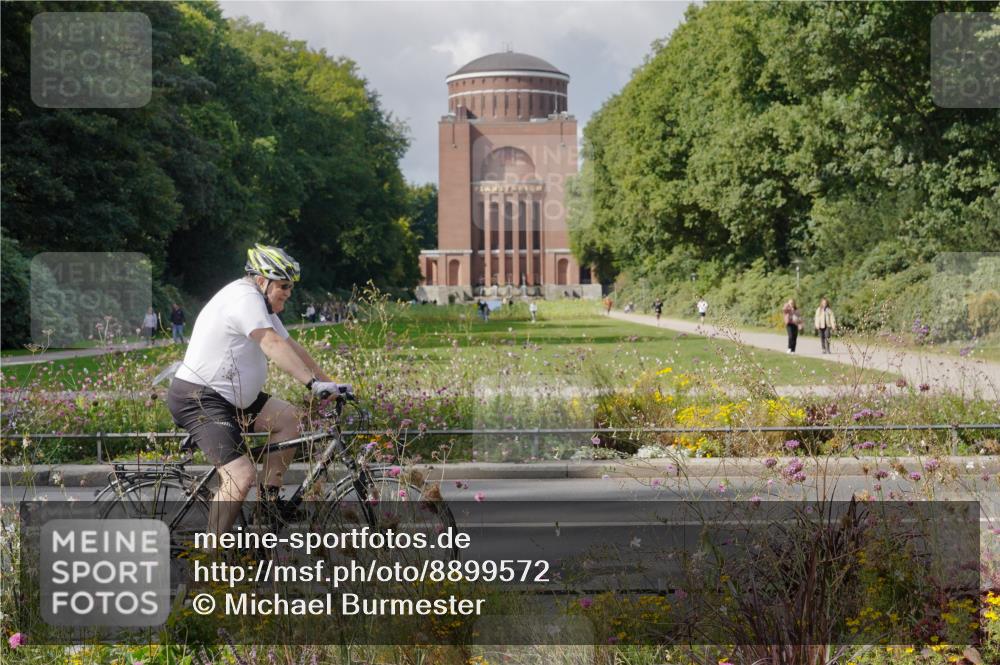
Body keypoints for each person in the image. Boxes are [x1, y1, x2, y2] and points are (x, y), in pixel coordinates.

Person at [167, 244, 340, 536]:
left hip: (228, 397)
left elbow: (290, 345)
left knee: (289, 418)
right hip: (199, 398)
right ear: (262, 280)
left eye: (291, 286)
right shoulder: (244, 298)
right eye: (283, 285)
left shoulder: (260, 304)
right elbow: (271, 344)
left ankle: (268, 503)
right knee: (240, 475)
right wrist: (312, 384)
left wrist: (328, 382)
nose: (288, 292)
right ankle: (211, 562)